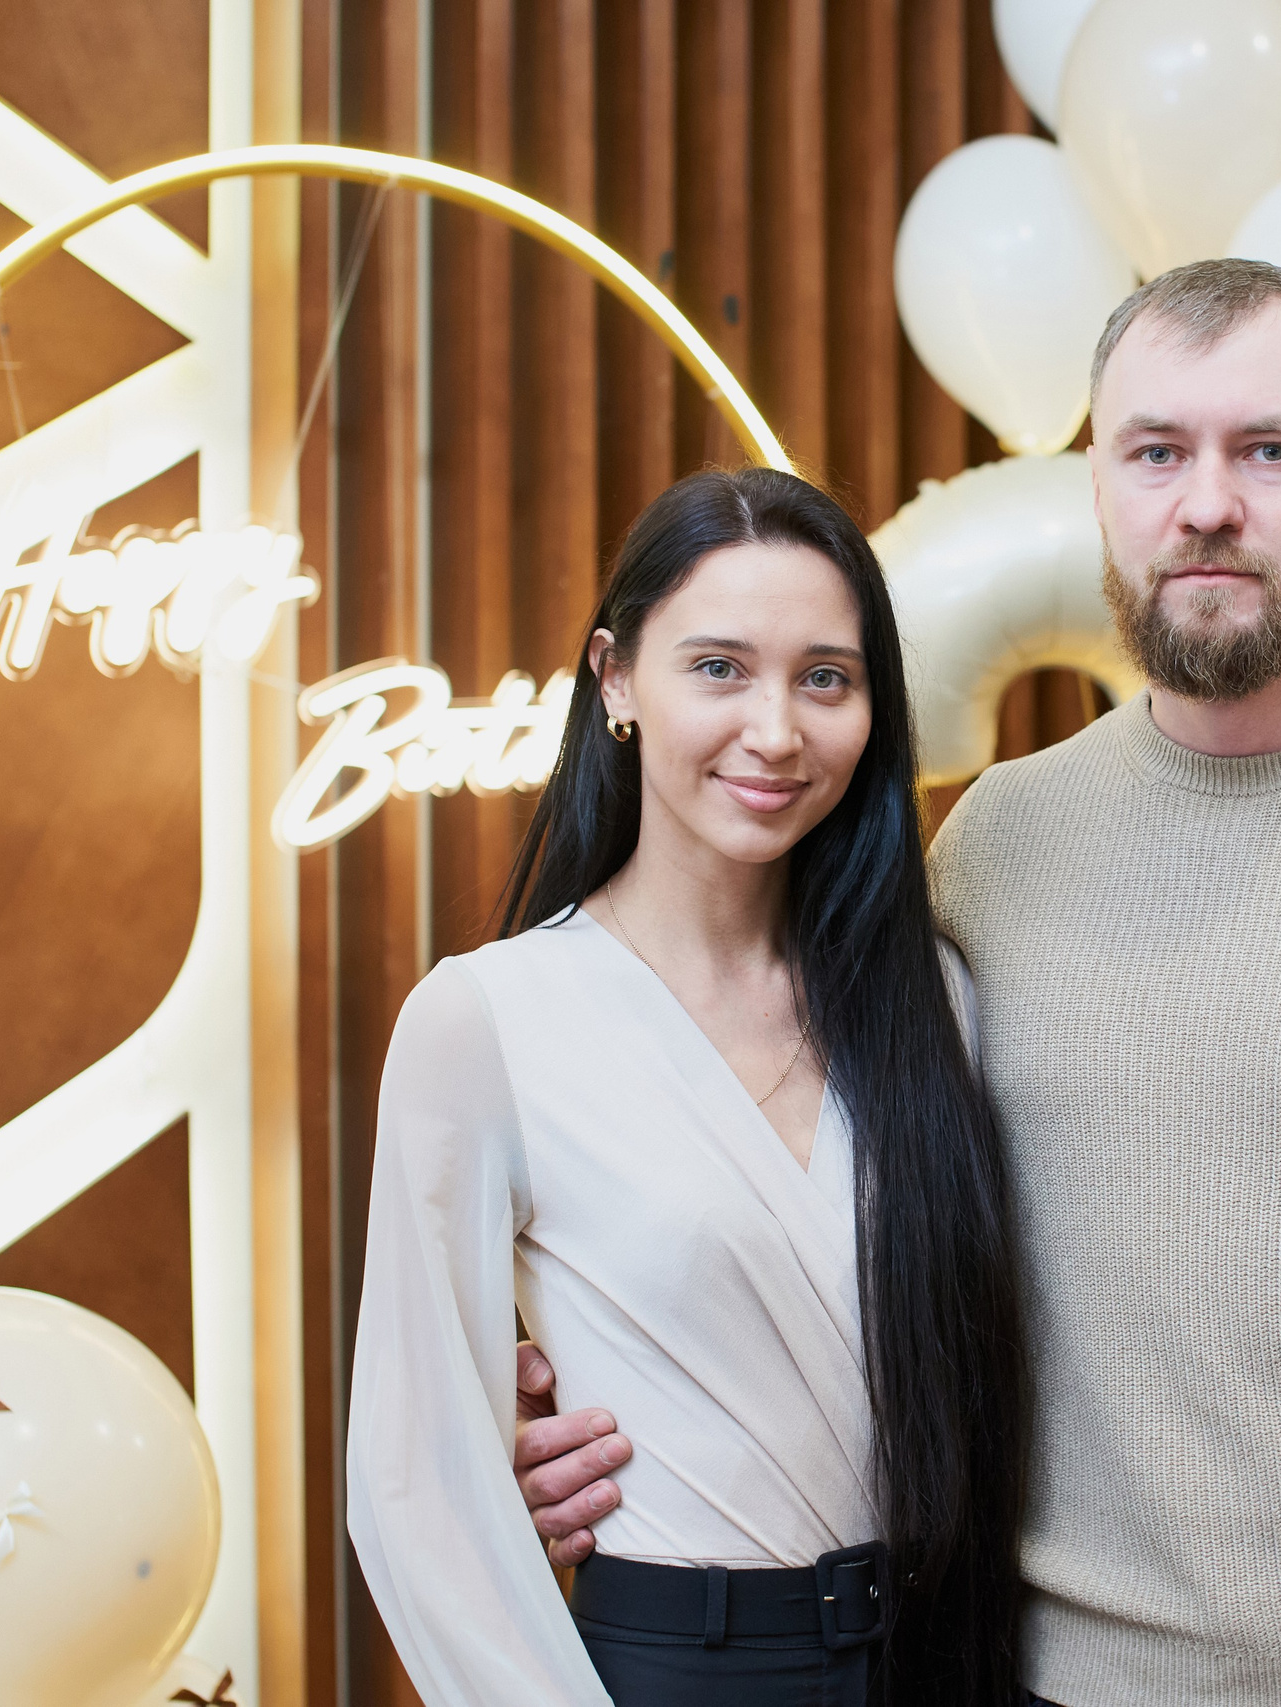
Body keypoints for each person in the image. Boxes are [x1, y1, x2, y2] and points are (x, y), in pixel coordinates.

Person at [515, 260, 1281, 1707]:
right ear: (1103, 489)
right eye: (1158, 451)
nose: (1209, 504)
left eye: (1271, 452)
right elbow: (821, 1198)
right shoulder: (996, 841)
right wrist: (578, 1384)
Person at [348, 468, 1030, 1707]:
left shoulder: (936, 999)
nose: (775, 730)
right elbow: (419, 1483)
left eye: (825, 677)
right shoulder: (486, 1019)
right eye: (718, 667)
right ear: (615, 678)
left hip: (943, 1656)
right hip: (678, 1668)